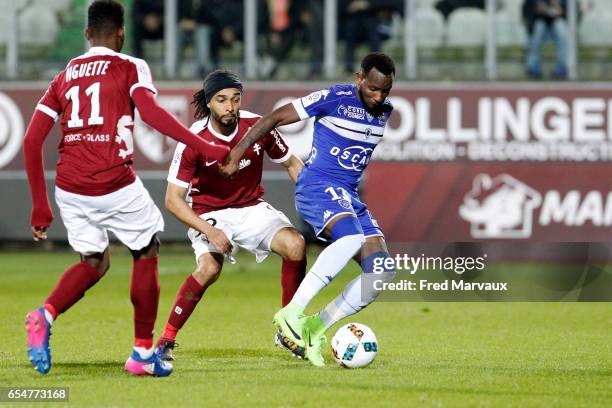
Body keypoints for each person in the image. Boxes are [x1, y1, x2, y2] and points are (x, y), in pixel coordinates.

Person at [23, 0, 229, 377]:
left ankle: (45, 315)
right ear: (121, 33)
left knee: (94, 262)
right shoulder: (130, 65)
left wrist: (40, 206)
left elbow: (32, 140)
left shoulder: (65, 74)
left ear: (86, 35)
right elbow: (149, 114)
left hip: (69, 185)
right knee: (146, 247)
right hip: (112, 179)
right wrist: (206, 146)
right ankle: (141, 354)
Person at [220, 52, 398, 366]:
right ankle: (292, 312)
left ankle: (316, 327)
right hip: (317, 185)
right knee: (350, 239)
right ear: (359, 79)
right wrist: (237, 152)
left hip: (348, 196)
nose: (378, 96)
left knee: (381, 272)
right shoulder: (334, 97)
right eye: (372, 88)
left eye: (385, 90)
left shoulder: (385, 111)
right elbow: (274, 118)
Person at [155, 70, 307, 361]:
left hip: (251, 208)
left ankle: (287, 329)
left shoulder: (257, 127)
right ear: (210, 103)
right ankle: (166, 339)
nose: (230, 107)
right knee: (210, 268)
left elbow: (291, 163)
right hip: (209, 213)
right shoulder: (193, 140)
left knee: (296, 245)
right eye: (222, 100)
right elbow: (173, 200)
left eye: (235, 99)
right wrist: (210, 231)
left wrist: (313, 198)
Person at [522, 0, 569, 79]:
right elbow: (527, 11)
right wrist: (539, 10)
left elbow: (572, 13)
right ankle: (533, 65)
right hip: (540, 25)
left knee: (561, 29)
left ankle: (562, 66)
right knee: (538, 28)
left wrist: (559, 8)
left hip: (557, 27)